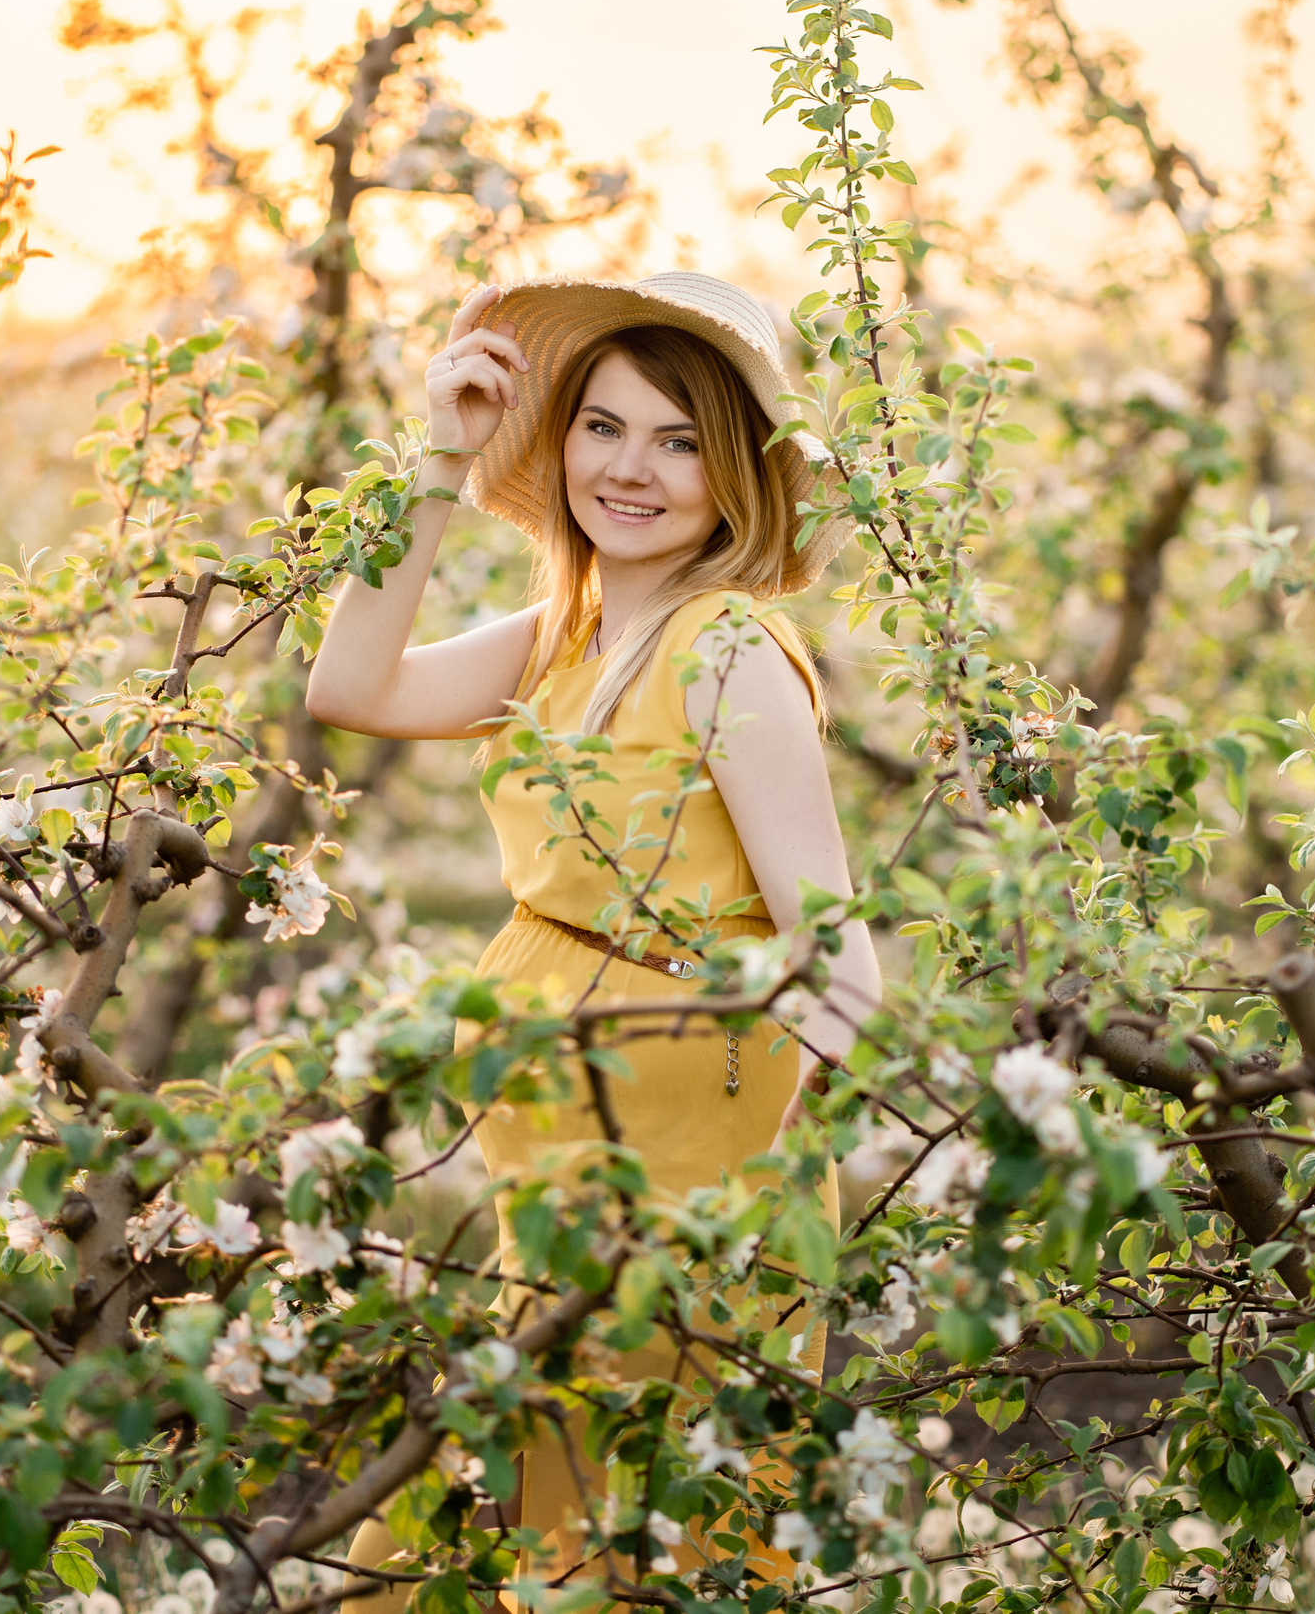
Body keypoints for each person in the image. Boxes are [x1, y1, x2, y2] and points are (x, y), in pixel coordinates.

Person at [303, 273, 882, 1600]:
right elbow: (347, 686)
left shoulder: (725, 647)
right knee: (521, 1515)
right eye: (605, 427)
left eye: (680, 442)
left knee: (633, 1531)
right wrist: (440, 452)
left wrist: (765, 1216)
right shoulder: (566, 633)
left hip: (688, 1181)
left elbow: (835, 957)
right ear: (560, 440)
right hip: (560, 1175)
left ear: (735, 473)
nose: (634, 469)